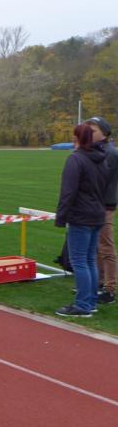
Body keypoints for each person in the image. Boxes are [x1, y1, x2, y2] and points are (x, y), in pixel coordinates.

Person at [55, 124, 109, 318]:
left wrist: (61, 216)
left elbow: (68, 191)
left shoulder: (76, 159)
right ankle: (91, 302)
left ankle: (83, 305)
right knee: (89, 259)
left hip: (81, 215)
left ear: (76, 138)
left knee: (79, 261)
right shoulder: (102, 159)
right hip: (97, 214)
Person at [85, 116, 118, 305]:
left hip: (104, 205)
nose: (90, 134)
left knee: (106, 246)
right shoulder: (97, 150)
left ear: (104, 133)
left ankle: (110, 288)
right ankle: (98, 282)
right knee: (96, 246)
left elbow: (100, 181)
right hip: (95, 204)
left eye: (94, 130)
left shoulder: (109, 153)